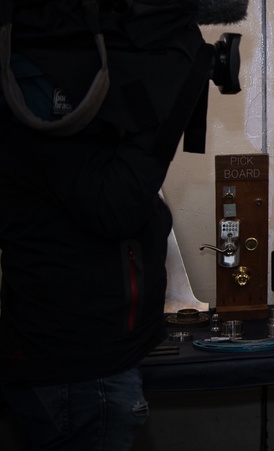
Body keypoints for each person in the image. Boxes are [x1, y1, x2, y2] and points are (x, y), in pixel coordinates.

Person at [0, 97, 175, 448]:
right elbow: (120, 208)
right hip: (82, 373)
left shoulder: (41, 118)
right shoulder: (57, 129)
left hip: (77, 362)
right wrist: (173, 98)